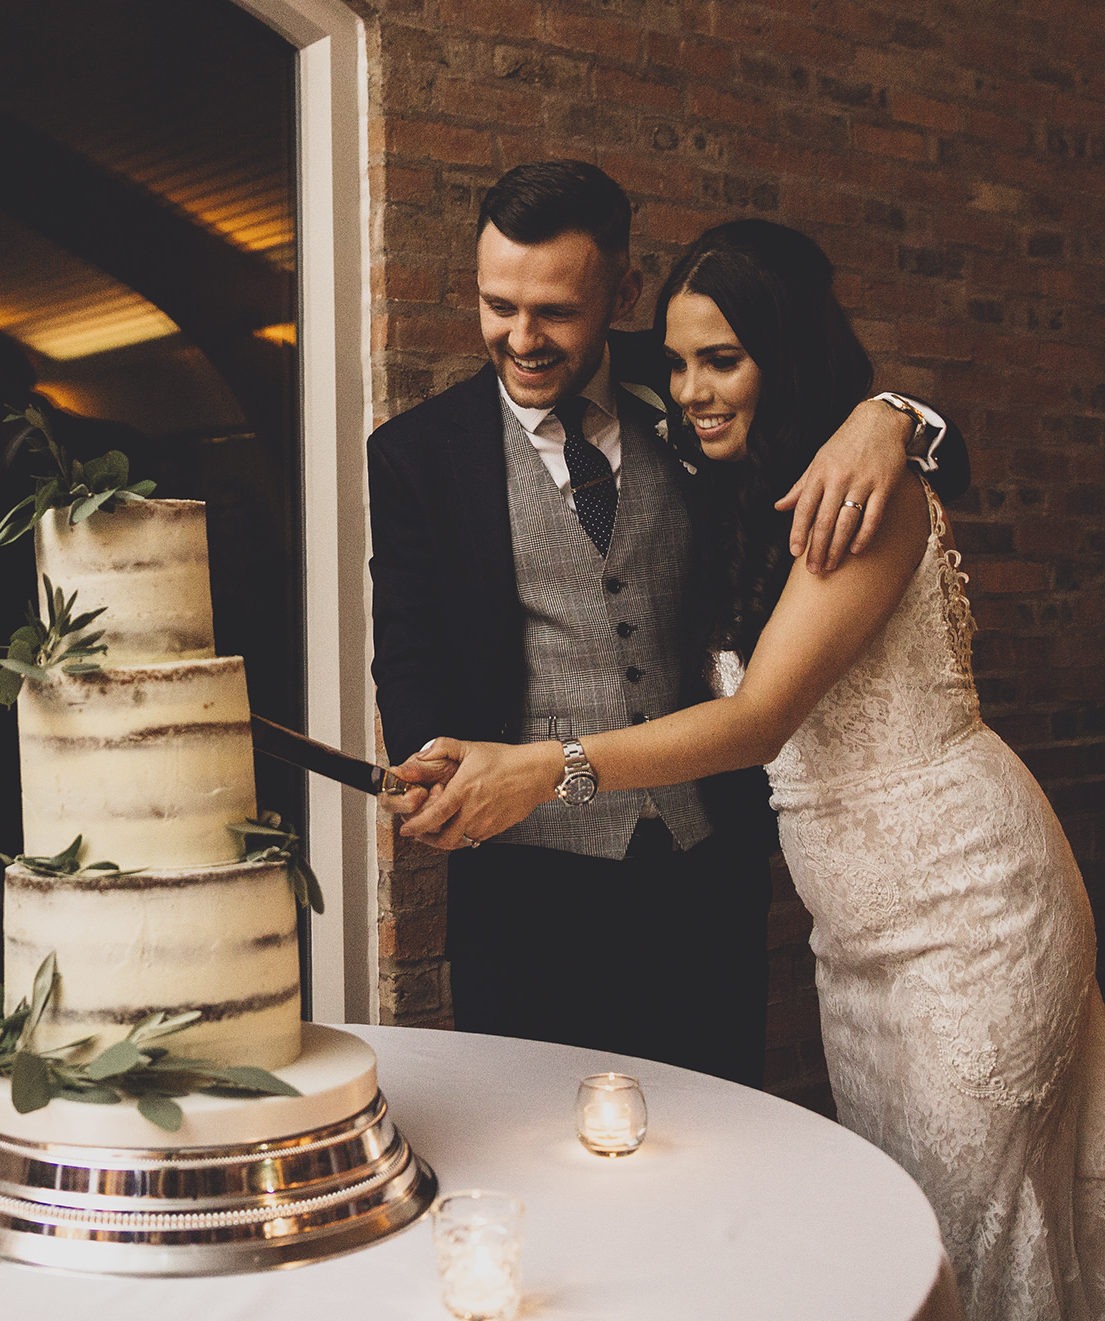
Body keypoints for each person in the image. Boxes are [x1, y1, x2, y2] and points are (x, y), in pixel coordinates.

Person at [390, 220, 1105, 1321]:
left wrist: (892, 415)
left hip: (970, 913)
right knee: (904, 1224)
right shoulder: (736, 477)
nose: (690, 392)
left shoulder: (872, 493)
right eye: (677, 364)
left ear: (787, 352)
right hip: (849, 941)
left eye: (722, 361)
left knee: (975, 1236)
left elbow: (757, 718)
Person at [366, 170, 959, 1087]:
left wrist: (896, 419)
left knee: (715, 1136)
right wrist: (434, 773)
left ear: (623, 293)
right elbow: (408, 651)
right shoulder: (415, 454)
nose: (521, 339)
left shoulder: (693, 379)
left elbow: (849, 419)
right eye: (497, 305)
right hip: (526, 893)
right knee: (534, 1143)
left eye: (556, 312)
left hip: (703, 876)